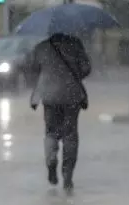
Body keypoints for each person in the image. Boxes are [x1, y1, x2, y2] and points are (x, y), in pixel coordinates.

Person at [28, 33, 91, 192]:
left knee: (51, 132)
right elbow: (86, 69)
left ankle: (51, 160)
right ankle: (67, 174)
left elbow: (33, 69)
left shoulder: (42, 46)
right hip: (72, 95)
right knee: (70, 134)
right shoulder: (75, 44)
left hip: (49, 95)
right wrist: (73, 72)